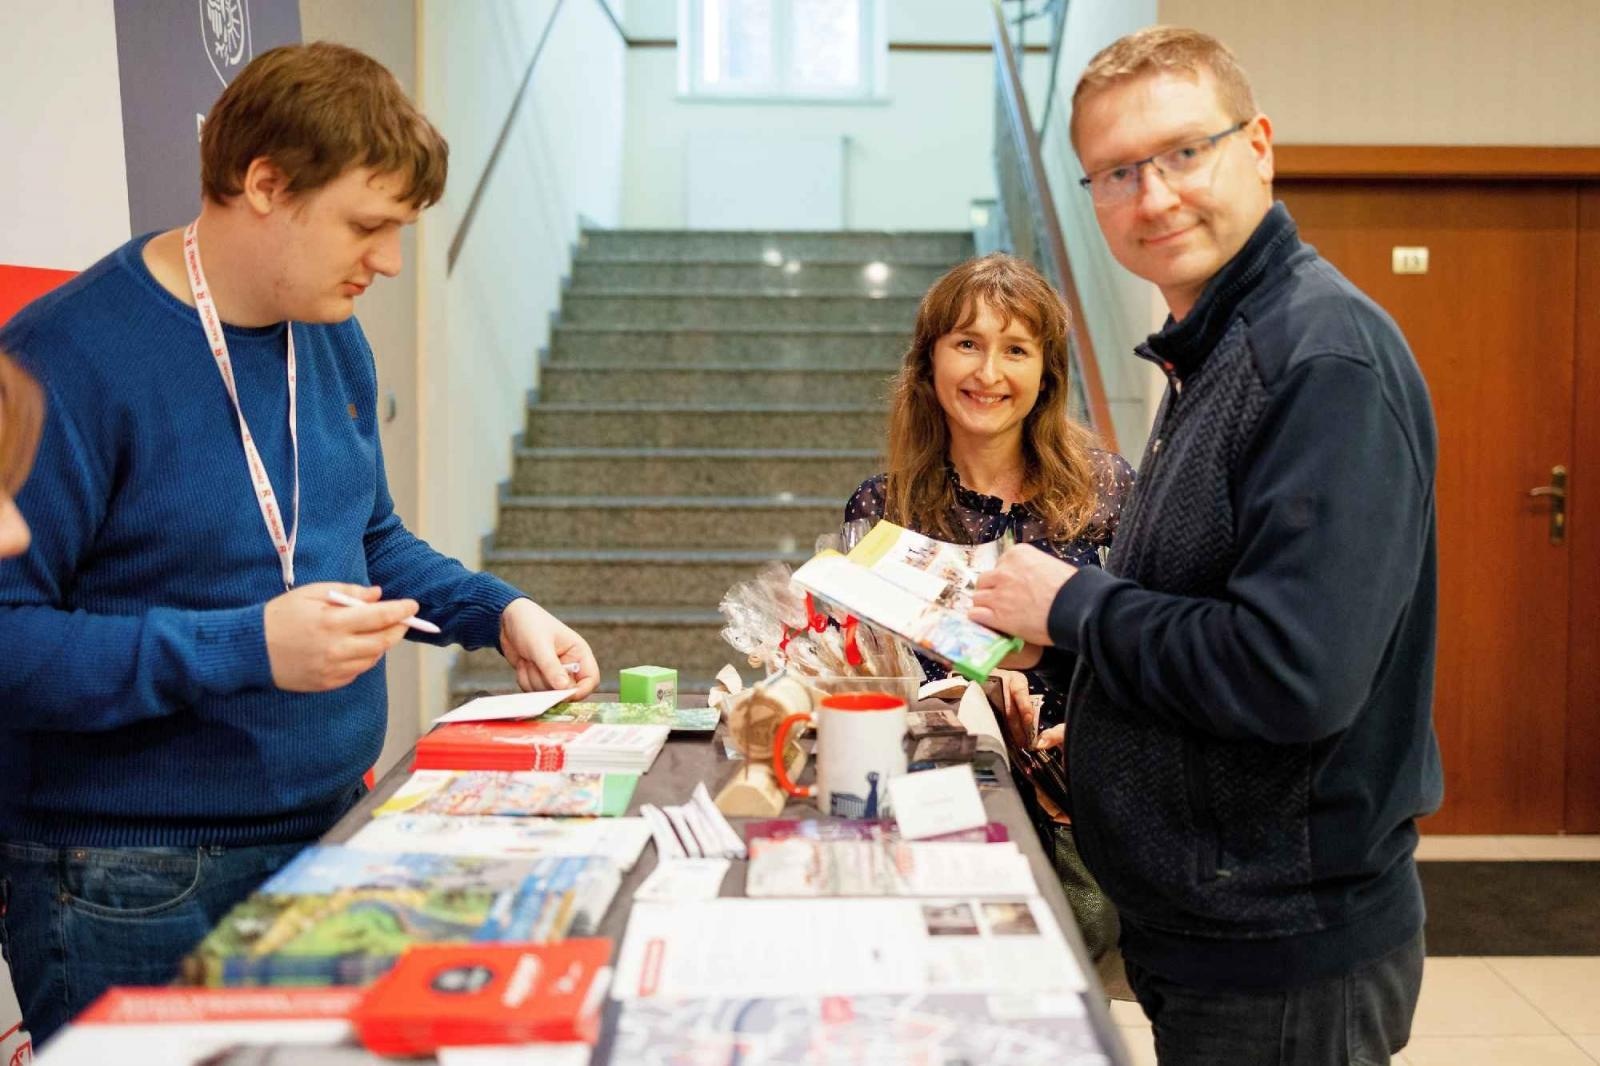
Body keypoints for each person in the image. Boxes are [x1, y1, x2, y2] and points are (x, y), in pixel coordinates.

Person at [0, 43, 600, 1044]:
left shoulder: (326, 331)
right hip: (129, 878)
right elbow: (9, 639)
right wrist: (246, 647)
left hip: (329, 830)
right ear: (264, 184)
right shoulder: (68, 357)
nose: (391, 261)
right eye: (369, 226)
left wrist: (498, 610)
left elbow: (362, 540)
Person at [969, 28, 1441, 1066]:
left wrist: (1072, 609)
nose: (1154, 197)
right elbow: (1205, 604)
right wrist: (1083, 700)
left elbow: (1292, 672)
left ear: (1259, 146)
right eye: (1118, 172)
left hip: (1283, 953)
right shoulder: (1214, 350)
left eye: (1186, 151)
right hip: (1209, 930)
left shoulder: (1318, 360)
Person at [843, 253, 1133, 960]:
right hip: (931, 804)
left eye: (1015, 350)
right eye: (967, 344)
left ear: (1047, 373)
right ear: (929, 361)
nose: (988, 374)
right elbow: (863, 676)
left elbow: (1150, 643)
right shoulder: (881, 508)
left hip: (1077, 809)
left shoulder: (1107, 492)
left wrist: (1057, 646)